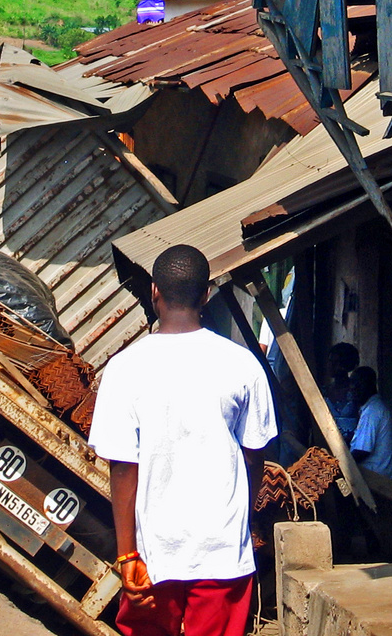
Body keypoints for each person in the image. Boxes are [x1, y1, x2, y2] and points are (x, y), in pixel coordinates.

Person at [89, 245, 277, 636]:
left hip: (154, 554)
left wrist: (127, 555)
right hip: (223, 550)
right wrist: (244, 521)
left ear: (154, 291)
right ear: (206, 294)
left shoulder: (124, 368)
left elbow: (123, 467)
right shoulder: (243, 365)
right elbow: (255, 456)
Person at [349, 367, 392, 479]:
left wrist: (340, 465)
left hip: (373, 479)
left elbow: (362, 451)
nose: (353, 389)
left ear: (370, 385)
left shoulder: (372, 411)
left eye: (358, 384)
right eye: (352, 384)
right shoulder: (373, 408)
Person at [324, 343, 360, 441]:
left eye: (336, 363)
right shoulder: (324, 391)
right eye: (330, 361)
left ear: (346, 365)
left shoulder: (357, 392)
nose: (330, 366)